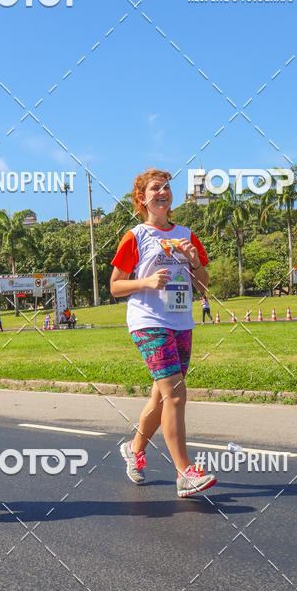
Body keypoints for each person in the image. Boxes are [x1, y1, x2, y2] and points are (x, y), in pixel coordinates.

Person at [110, 168, 217, 498]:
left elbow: (202, 285)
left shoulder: (186, 234)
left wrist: (194, 261)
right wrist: (145, 282)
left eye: (167, 187)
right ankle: (185, 472)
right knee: (175, 395)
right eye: (155, 188)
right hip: (148, 321)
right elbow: (115, 286)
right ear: (142, 199)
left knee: (162, 397)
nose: (163, 192)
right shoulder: (136, 236)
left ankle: (135, 446)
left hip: (181, 322)